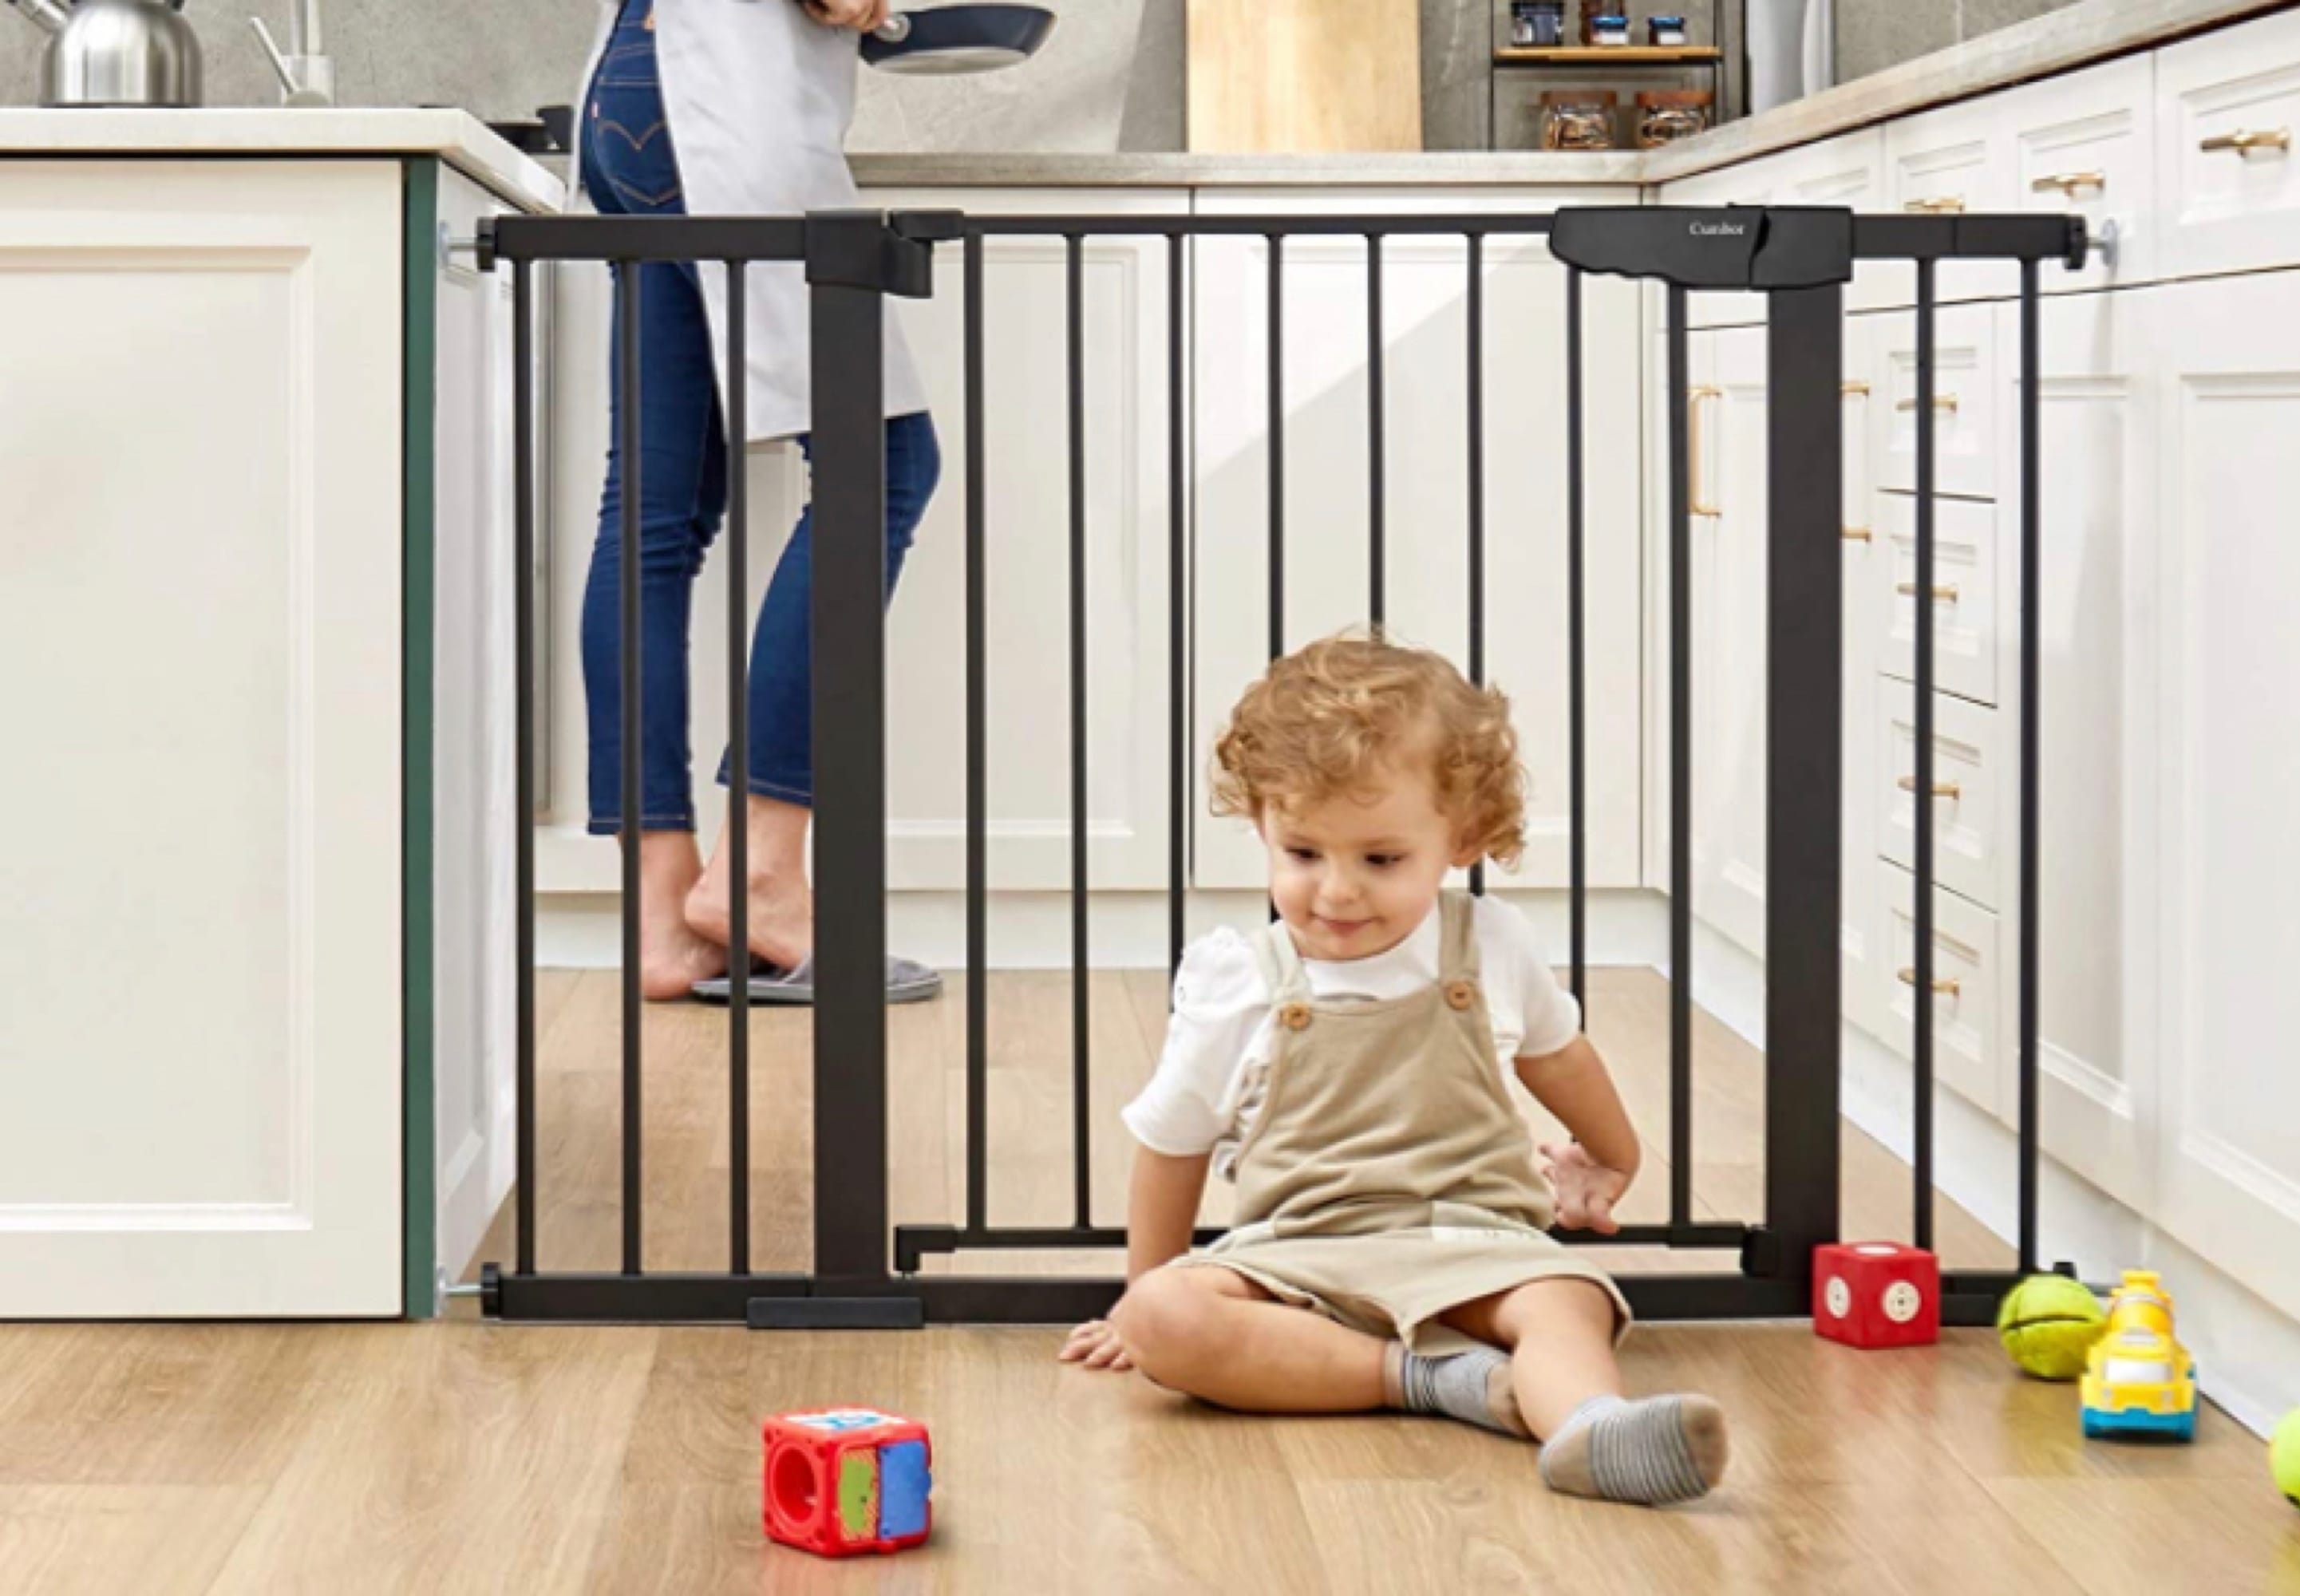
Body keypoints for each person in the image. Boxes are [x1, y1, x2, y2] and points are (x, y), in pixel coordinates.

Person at [1060, 634, 1732, 1508]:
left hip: (1476, 1245)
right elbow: (1172, 1143)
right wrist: (1141, 1297)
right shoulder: (1239, 981)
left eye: (1380, 860)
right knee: (1163, 1317)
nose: (1337, 891)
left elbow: (1560, 1055)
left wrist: (1614, 1158)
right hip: (1297, 1262)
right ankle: (1439, 1379)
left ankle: (1593, 1429)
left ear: (1464, 835)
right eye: (1303, 853)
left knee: (1567, 1299)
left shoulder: (1490, 943)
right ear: (1261, 823)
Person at [573, 0, 941, 1002]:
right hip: (712, 101)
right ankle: (761, 876)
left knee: (653, 518)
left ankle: (665, 916)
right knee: (883, 467)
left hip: (641, 92)